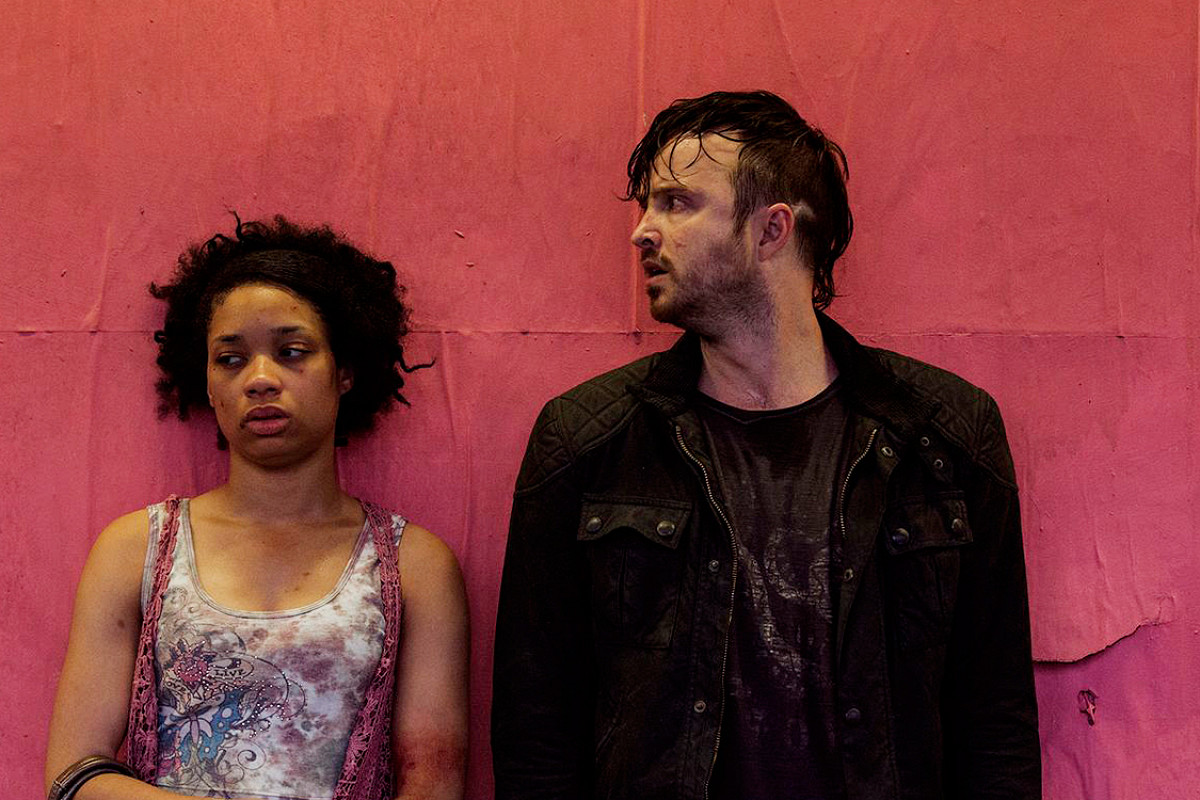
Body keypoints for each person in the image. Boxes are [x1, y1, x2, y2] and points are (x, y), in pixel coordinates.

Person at [492, 90, 1040, 799]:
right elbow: (537, 729)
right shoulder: (586, 440)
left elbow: (994, 720)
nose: (642, 233)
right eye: (647, 205)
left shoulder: (946, 437)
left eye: (676, 203)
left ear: (771, 229)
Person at [45, 216, 469, 800]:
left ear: (345, 372)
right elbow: (72, 775)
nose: (260, 379)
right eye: (231, 359)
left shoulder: (414, 565)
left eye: (293, 352)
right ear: (206, 381)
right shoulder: (136, 548)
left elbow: (433, 782)